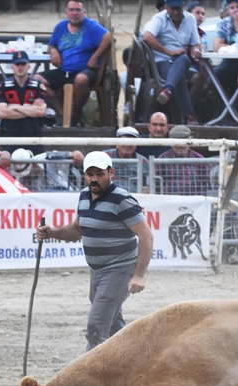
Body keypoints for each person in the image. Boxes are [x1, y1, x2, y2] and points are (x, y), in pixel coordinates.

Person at [35, 151, 153, 352]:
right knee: (113, 324)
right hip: (97, 271)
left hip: (119, 269)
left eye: (99, 174)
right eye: (90, 174)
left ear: (111, 173)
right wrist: (52, 233)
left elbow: (146, 236)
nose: (94, 179)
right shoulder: (84, 196)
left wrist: (139, 275)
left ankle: (90, 378)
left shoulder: (122, 200)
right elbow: (78, 230)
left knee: (96, 327)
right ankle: (132, 360)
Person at [45, 0, 112, 126]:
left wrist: (94, 57)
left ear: (84, 12)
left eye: (78, 10)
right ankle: (62, 113)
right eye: (71, 10)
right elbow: (51, 45)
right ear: (66, 12)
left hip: (86, 70)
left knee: (80, 79)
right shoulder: (60, 27)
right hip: (63, 70)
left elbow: (108, 37)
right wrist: (53, 51)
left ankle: (76, 113)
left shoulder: (91, 26)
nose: (75, 13)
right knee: (36, 81)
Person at [143, 0, 203, 126]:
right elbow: (147, 37)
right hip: (162, 61)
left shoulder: (190, 19)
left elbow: (195, 43)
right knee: (179, 76)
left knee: (186, 62)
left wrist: (195, 50)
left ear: (183, 7)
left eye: (178, 9)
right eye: (172, 9)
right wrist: (168, 52)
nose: (176, 12)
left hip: (181, 60)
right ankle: (188, 115)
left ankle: (168, 90)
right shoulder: (158, 19)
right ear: (166, 7)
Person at [0, 51, 47, 143]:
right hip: (9, 133)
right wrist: (31, 109)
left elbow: (40, 112)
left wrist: (15, 107)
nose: (20, 67)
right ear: (12, 67)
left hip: (34, 133)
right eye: (17, 64)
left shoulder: (38, 86)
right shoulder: (3, 86)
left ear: (28, 66)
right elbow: (2, 113)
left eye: (23, 64)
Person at [155, 124, 206, 194]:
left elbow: (206, 184)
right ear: (170, 143)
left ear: (190, 141)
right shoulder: (162, 159)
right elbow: (156, 185)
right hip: (169, 202)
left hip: (195, 201)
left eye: (184, 142)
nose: (180, 145)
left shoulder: (200, 159)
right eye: (176, 143)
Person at [104, 126, 147, 191]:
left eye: (131, 141)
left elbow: (148, 186)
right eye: (124, 141)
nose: (127, 144)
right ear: (117, 143)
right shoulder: (104, 156)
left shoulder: (144, 162)